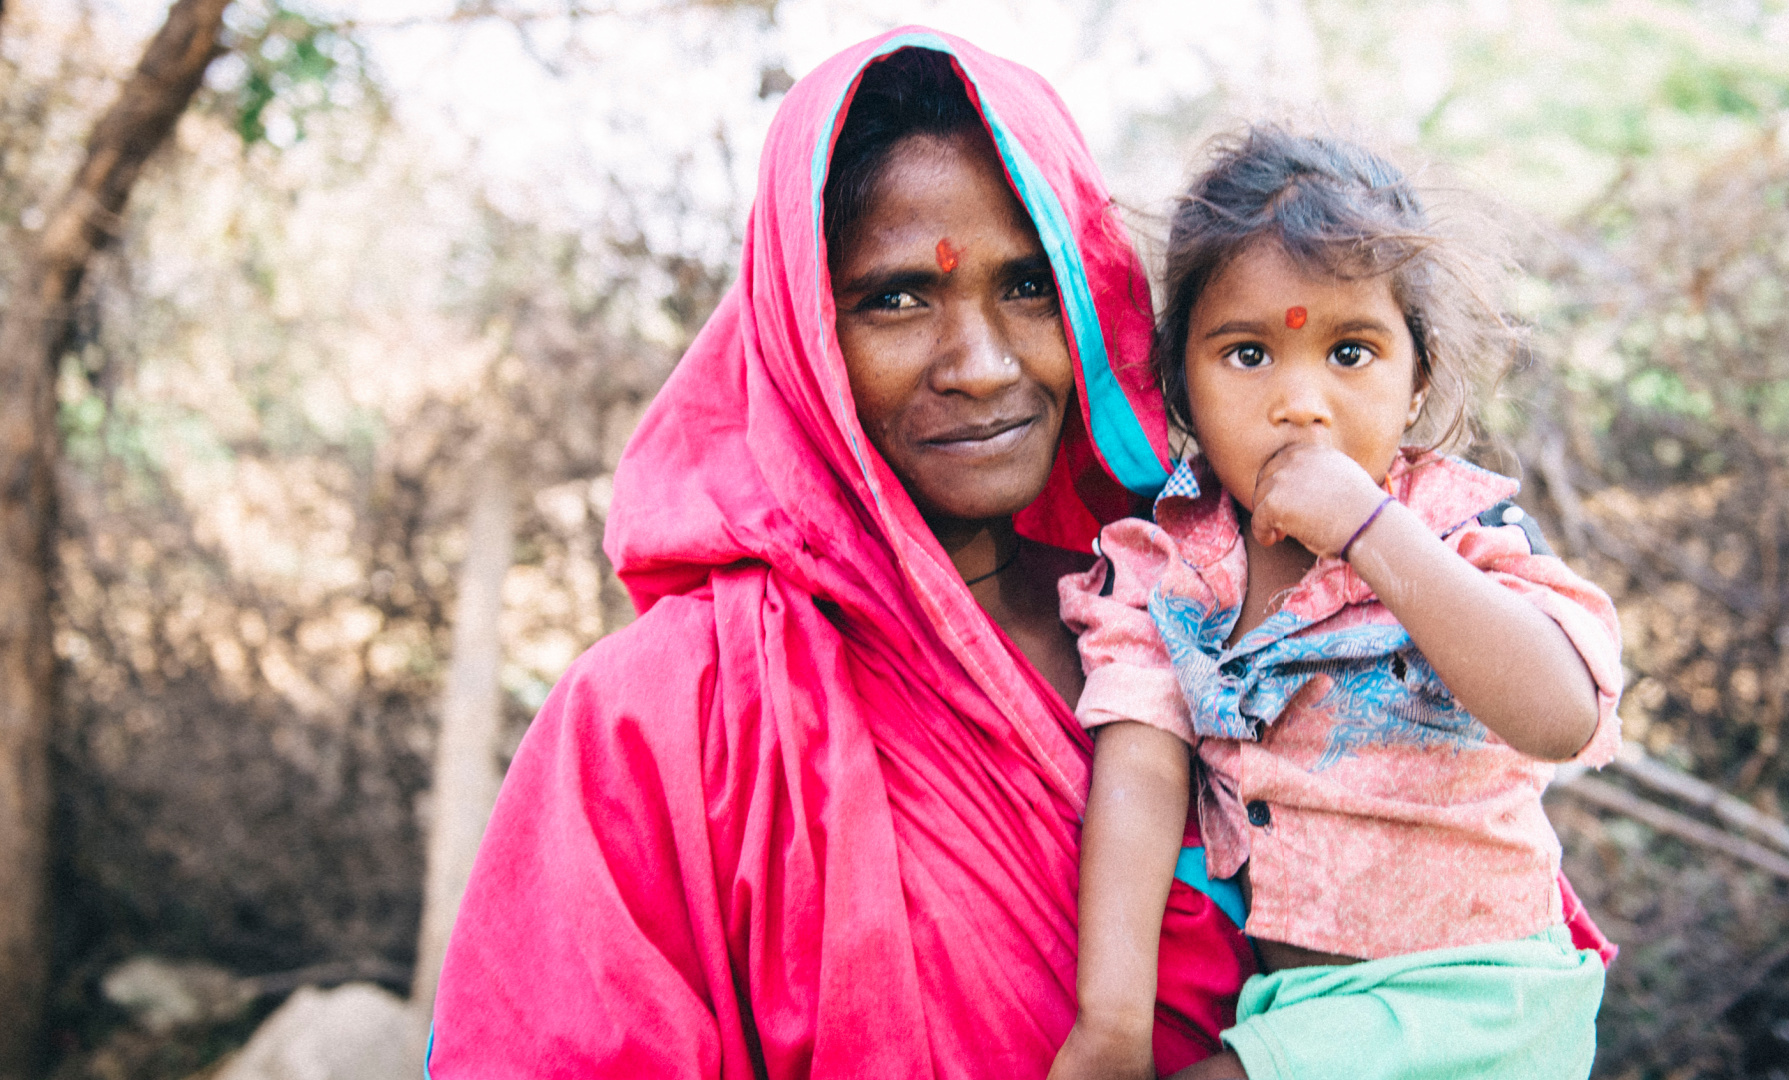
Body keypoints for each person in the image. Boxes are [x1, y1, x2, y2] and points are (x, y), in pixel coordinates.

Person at [423, 30, 1256, 1080]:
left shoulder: (1220, 628)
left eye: (1030, 285)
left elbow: (1454, 961)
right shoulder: (663, 715)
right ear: (806, 331)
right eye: (897, 298)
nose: (984, 365)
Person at [1050, 126, 1626, 1080]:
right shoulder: (1164, 567)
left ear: (1418, 382)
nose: (1302, 402)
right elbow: (1143, 777)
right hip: (1301, 1011)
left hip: (1480, 1001)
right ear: (1182, 383)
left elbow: (1561, 716)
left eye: (1351, 351)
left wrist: (1373, 533)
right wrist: (1109, 1020)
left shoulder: (1459, 532)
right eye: (1247, 355)